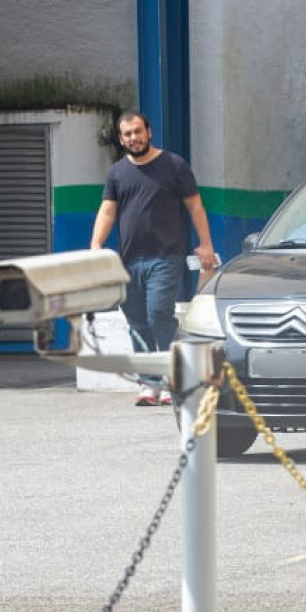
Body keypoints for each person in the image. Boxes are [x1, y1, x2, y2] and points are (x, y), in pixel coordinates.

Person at [90, 111, 218, 405]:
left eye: (137, 132)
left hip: (165, 256)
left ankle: (176, 375)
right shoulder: (117, 173)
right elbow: (108, 211)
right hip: (129, 261)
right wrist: (95, 246)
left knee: (158, 313)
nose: (133, 138)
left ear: (148, 131)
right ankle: (150, 383)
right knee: (136, 320)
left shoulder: (174, 165)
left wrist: (206, 244)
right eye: (127, 135)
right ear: (121, 139)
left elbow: (195, 207)